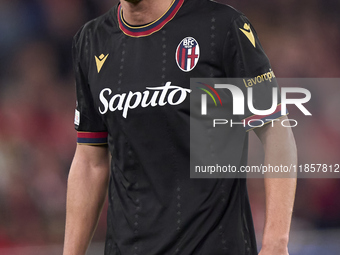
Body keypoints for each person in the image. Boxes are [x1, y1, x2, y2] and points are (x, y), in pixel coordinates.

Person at [63, 0, 297, 254]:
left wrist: (276, 241)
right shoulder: (91, 40)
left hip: (214, 246)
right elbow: (90, 160)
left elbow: (276, 131)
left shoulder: (220, 27)